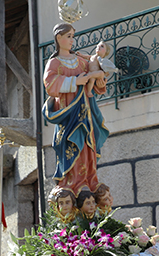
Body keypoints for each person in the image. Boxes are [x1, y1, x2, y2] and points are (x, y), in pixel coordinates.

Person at [43, 22, 109, 196]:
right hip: (68, 113)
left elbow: (93, 80)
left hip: (85, 113)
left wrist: (100, 82)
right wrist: (75, 82)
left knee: (88, 146)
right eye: (69, 36)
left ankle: (89, 179)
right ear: (59, 38)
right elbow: (50, 84)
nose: (72, 40)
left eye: (73, 36)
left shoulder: (81, 61)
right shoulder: (54, 62)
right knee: (71, 144)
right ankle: (72, 182)